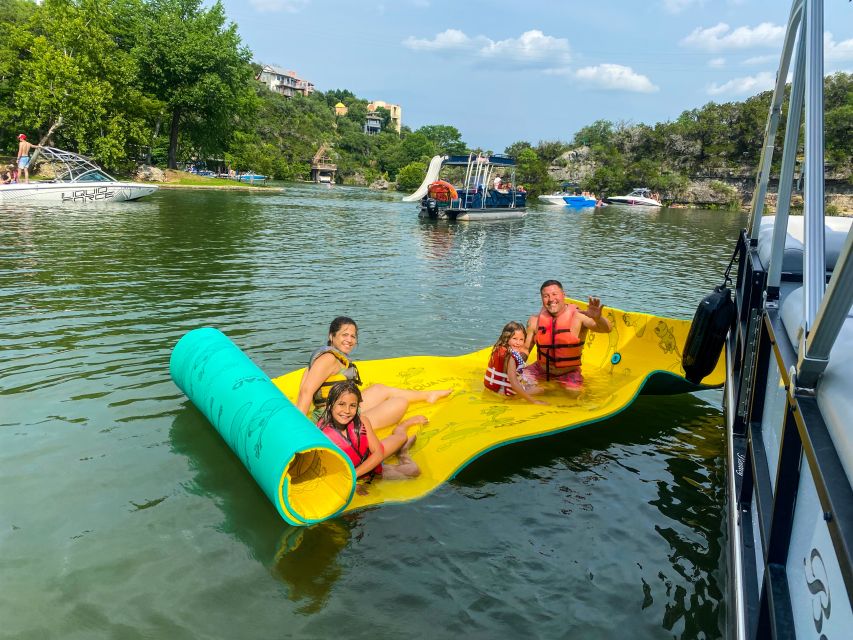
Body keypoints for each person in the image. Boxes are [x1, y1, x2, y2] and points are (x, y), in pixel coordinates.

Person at [297, 316, 452, 429]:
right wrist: (298, 429)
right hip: (335, 421)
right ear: (331, 336)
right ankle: (356, 429)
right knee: (400, 403)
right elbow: (305, 392)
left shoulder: (326, 356)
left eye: (353, 336)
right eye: (345, 335)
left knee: (379, 389)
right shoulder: (328, 359)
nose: (350, 340)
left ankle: (428, 396)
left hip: (339, 409)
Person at [316, 380, 422, 481]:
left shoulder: (362, 421)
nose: (347, 411)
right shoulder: (320, 433)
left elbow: (378, 453)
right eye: (341, 404)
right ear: (330, 405)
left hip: (366, 462)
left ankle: (402, 437)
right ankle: (401, 452)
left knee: (410, 460)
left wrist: (354, 475)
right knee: (412, 470)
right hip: (348, 475)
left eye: (352, 406)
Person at [524, 280, 613, 395]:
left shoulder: (578, 316)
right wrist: (512, 366)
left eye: (555, 294)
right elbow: (526, 349)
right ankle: (547, 388)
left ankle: (552, 389)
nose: (551, 299)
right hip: (540, 369)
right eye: (546, 296)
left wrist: (598, 318)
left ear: (564, 295)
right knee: (518, 383)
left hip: (568, 372)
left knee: (573, 395)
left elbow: (607, 329)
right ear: (542, 299)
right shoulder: (534, 320)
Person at [484, 321, 546, 405]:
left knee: (531, 384)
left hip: (492, 390)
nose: (518, 343)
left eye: (521, 340)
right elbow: (514, 384)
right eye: (514, 339)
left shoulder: (499, 349)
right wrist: (533, 401)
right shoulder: (510, 357)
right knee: (542, 389)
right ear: (506, 338)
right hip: (506, 394)